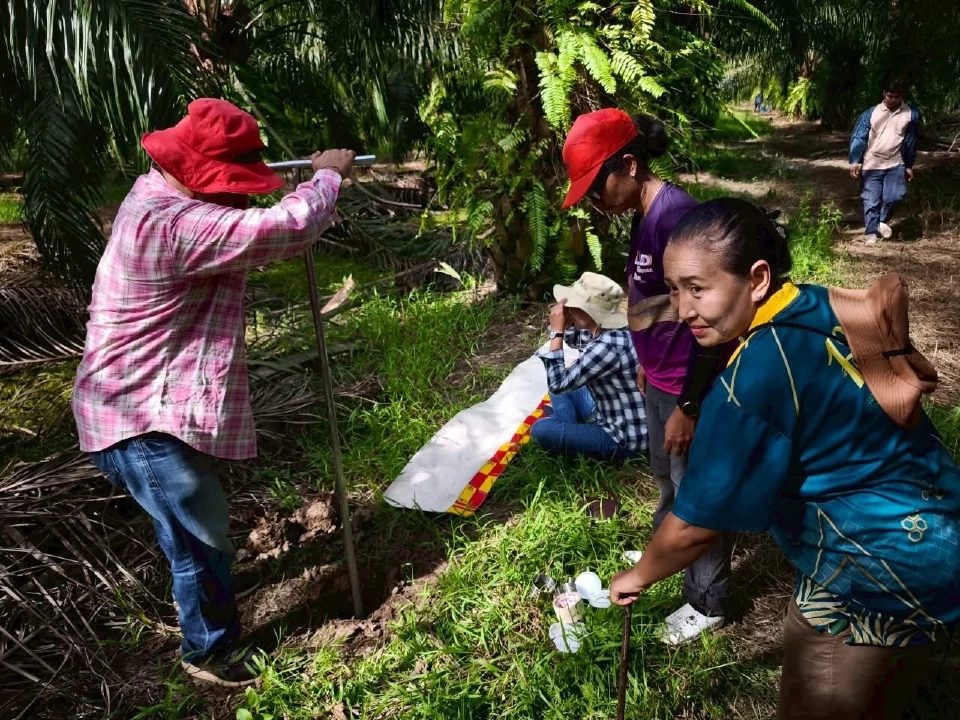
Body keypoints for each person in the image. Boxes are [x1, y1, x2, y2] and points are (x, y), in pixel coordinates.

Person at [610, 197, 960, 719]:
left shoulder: (754, 378)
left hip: (879, 565)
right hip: (936, 521)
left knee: (818, 692)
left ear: (756, 278)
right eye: (674, 290)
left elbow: (695, 526)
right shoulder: (817, 303)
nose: (682, 312)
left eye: (697, 289)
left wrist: (636, 576)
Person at [72, 98, 356, 687]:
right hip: (139, 417)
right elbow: (286, 227)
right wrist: (326, 176)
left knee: (198, 525)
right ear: (200, 175)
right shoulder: (174, 224)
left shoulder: (156, 195)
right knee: (195, 536)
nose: (241, 195)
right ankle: (210, 650)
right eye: (232, 182)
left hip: (145, 402)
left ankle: (213, 590)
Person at [561, 108, 733, 644]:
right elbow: (661, 301)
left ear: (630, 165)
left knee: (696, 493)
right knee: (667, 475)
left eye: (596, 184)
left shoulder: (677, 217)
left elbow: (709, 319)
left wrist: (689, 403)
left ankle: (706, 601)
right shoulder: (643, 214)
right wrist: (643, 354)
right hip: (658, 375)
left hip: (688, 383)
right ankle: (667, 546)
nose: (593, 199)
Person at [531, 272, 647, 461]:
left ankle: (565, 431)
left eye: (575, 307)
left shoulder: (607, 345)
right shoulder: (609, 329)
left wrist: (556, 332)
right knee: (564, 379)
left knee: (540, 429)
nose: (570, 309)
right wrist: (567, 323)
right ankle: (568, 429)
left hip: (623, 438)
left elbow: (557, 383)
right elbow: (578, 339)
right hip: (609, 413)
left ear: (591, 312)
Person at [849, 79, 920, 244]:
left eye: (896, 97)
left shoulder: (910, 113)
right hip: (872, 163)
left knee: (895, 196)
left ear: (901, 96)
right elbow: (860, 137)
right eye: (890, 96)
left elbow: (910, 141)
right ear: (884, 94)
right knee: (871, 199)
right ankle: (871, 233)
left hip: (896, 163)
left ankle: (879, 222)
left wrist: (909, 165)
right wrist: (855, 160)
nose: (893, 100)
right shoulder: (871, 113)